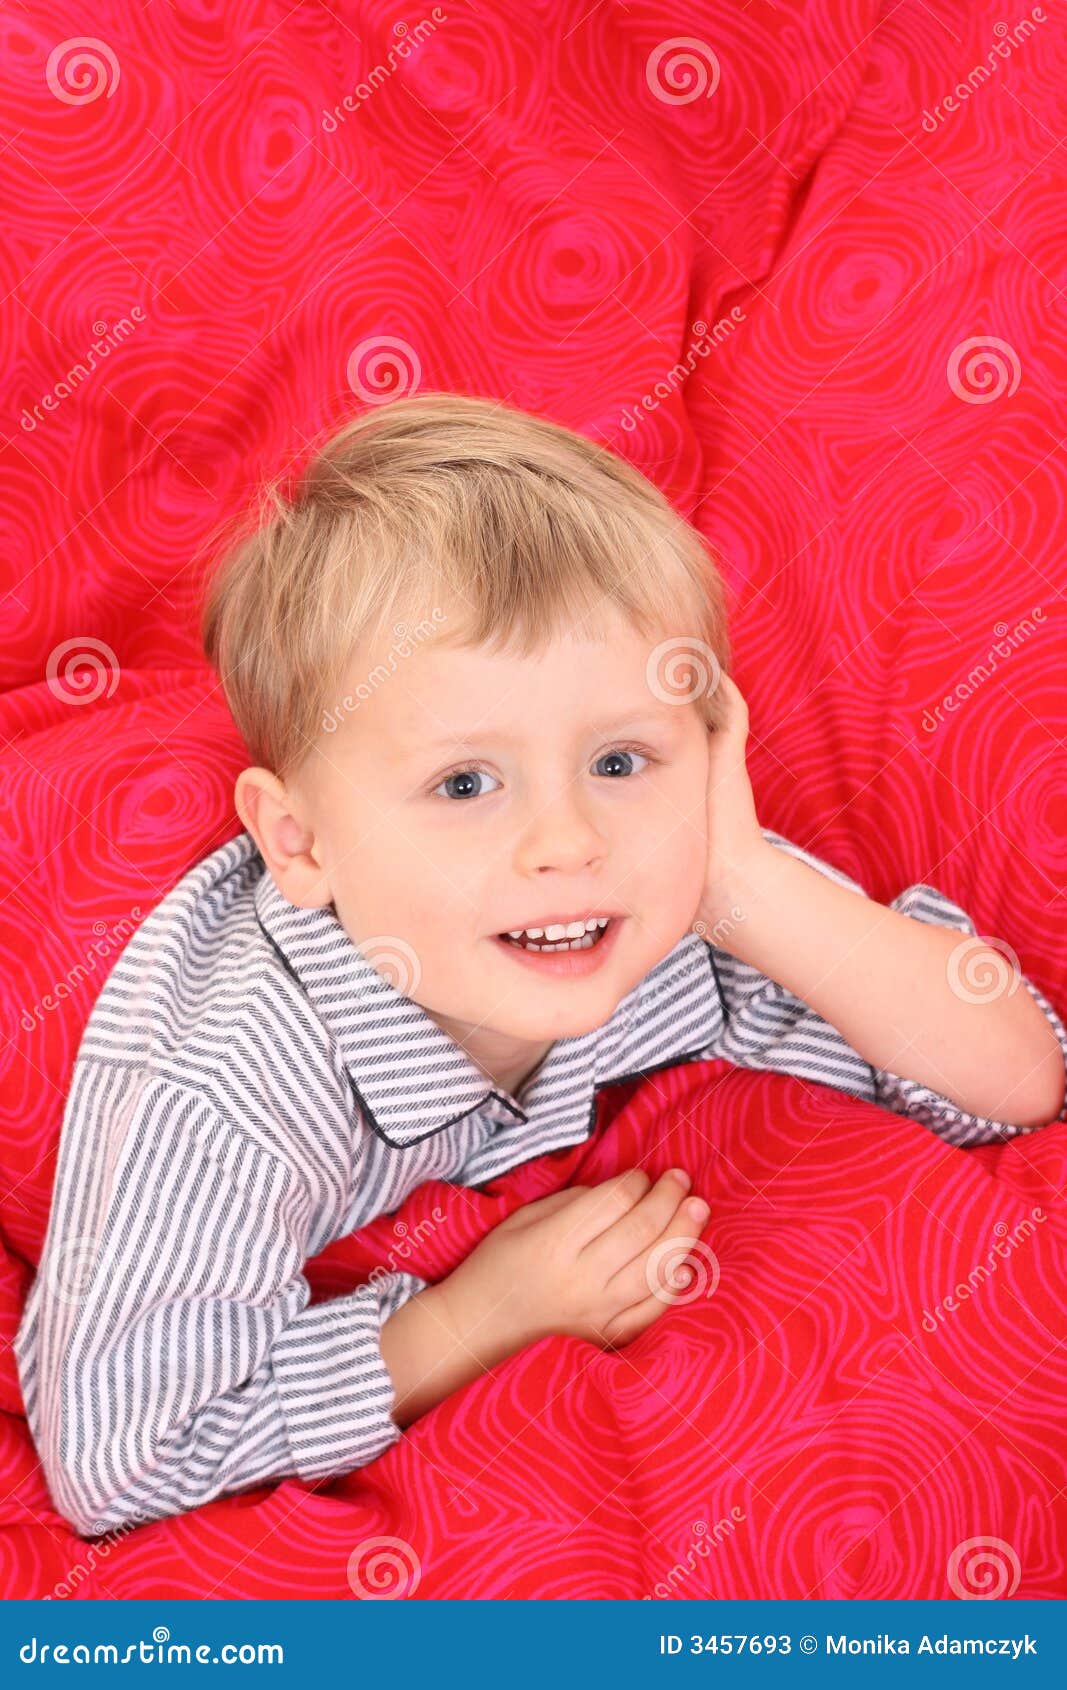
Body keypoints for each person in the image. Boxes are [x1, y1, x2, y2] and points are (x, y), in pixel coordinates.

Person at [15, 393, 1067, 1538]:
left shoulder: (631, 897)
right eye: (466, 784)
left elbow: (1012, 1080)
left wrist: (739, 882)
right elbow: (121, 1459)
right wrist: (473, 1321)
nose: (566, 839)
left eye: (620, 757)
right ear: (301, 843)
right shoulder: (231, 1091)